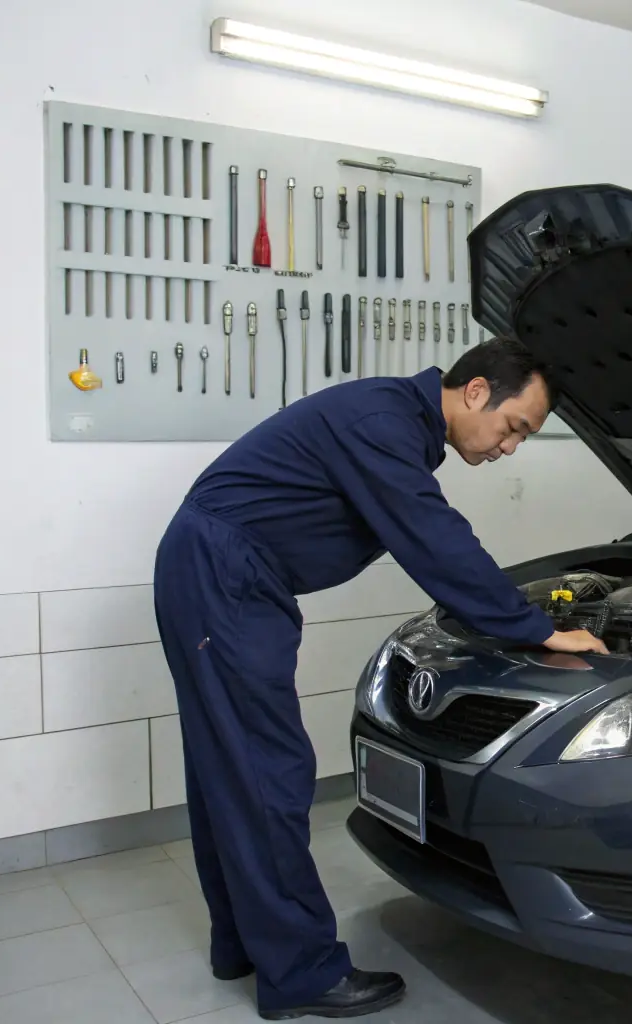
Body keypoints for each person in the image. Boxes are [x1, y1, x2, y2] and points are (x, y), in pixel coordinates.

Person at [152, 338, 608, 1020]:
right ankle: (301, 974)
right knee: (266, 773)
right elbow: (432, 537)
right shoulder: (382, 422)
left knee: (229, 771)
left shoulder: (394, 421)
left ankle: (244, 944)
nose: (510, 447)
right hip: (226, 577)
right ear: (477, 391)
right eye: (515, 428)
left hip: (218, 572)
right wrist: (536, 628)